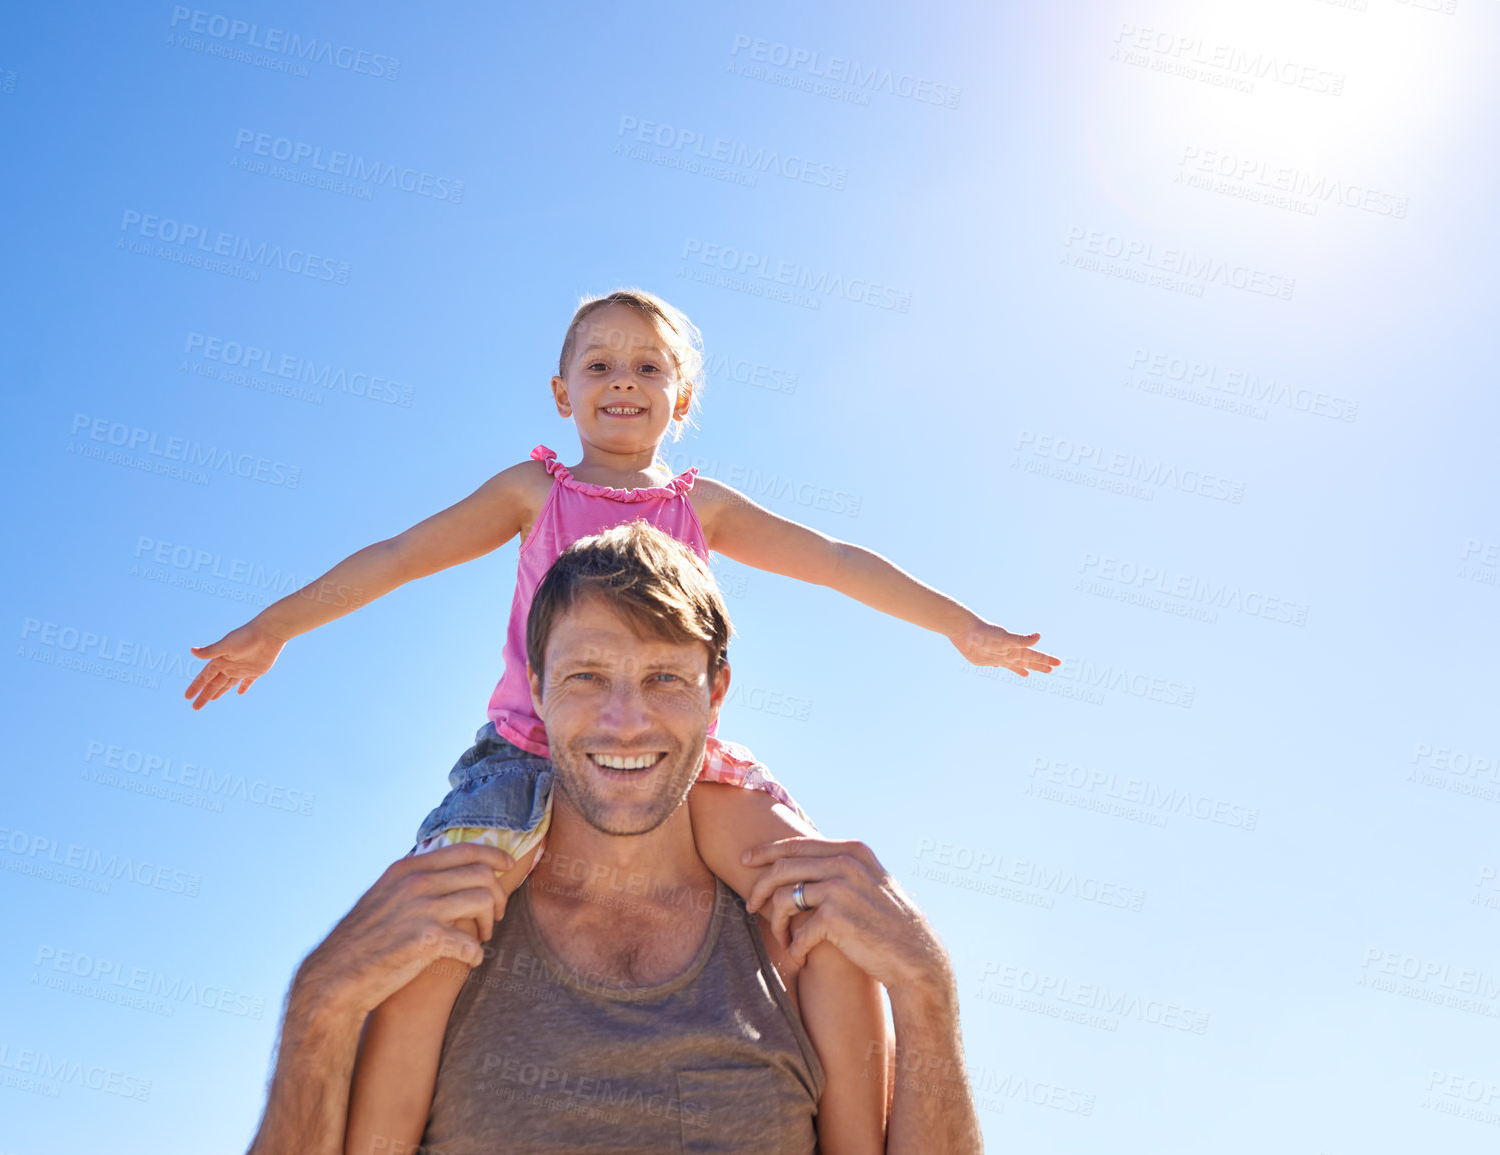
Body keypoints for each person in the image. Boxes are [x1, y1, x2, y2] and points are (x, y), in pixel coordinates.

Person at [187, 288, 1055, 1147]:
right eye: (597, 364)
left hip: (682, 760)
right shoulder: (535, 488)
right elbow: (403, 554)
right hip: (525, 757)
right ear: (562, 393)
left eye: (648, 364)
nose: (622, 380)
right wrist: (274, 629)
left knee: (817, 894)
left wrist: (962, 629)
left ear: (681, 397)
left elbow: (832, 560)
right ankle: (378, 1135)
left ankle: (856, 1138)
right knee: (435, 930)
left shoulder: (699, 503)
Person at [244, 522, 983, 1154]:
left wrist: (926, 987)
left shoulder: (801, 943)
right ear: (534, 689)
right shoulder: (442, 933)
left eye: (663, 676)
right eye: (587, 677)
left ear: (715, 691)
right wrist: (317, 1006)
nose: (624, 721)